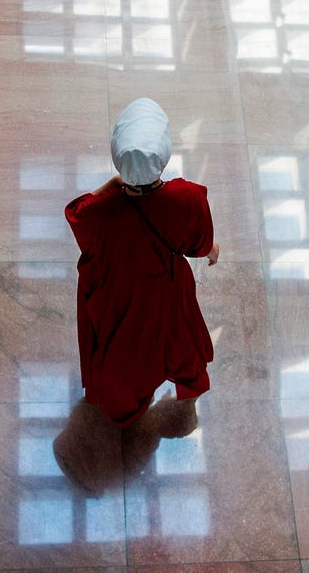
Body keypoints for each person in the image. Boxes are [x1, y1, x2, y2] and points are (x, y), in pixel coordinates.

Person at [64, 97, 220, 429]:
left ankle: (128, 407)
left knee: (125, 352)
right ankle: (185, 378)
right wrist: (211, 250)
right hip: (167, 288)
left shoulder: (101, 212)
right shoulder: (187, 197)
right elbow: (201, 243)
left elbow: (78, 213)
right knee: (178, 335)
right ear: (163, 156)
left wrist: (111, 185)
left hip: (117, 294)